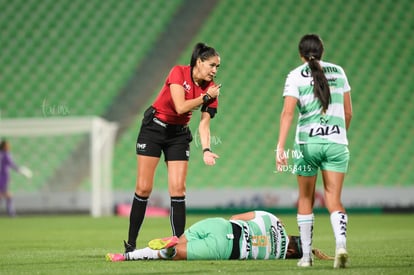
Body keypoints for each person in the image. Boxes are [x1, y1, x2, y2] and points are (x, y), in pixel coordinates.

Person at [124, 42, 222, 253]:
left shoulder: (211, 91)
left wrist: (206, 149)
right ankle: (130, 245)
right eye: (212, 65)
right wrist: (205, 97)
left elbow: (204, 125)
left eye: (217, 67)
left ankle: (178, 246)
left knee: (178, 189)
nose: (215, 70)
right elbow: (180, 107)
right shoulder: (179, 72)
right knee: (143, 188)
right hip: (154, 129)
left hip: (178, 135)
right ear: (199, 62)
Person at [275, 34, 352, 268]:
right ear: (322, 51)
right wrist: (338, 134)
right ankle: (341, 246)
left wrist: (280, 146)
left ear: (300, 54)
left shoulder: (295, 75)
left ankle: (306, 257)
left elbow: (288, 113)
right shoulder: (339, 72)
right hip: (337, 143)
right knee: (334, 198)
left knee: (306, 197)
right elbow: (348, 113)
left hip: (308, 144)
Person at [107, 210, 333, 262]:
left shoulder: (272, 218)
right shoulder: (279, 255)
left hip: (219, 225)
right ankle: (125, 257)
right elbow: (260, 245)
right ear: (292, 251)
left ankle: (177, 237)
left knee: (183, 238)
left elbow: (236, 216)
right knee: (171, 255)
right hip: (224, 249)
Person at [0, 139, 32, 216]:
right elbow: (12, 165)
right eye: (7, 145)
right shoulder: (6, 155)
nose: (9, 146)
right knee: (5, 195)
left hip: (3, 176)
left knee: (5, 195)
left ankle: (11, 213)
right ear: (4, 146)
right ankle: (11, 213)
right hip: (3, 177)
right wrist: (23, 171)